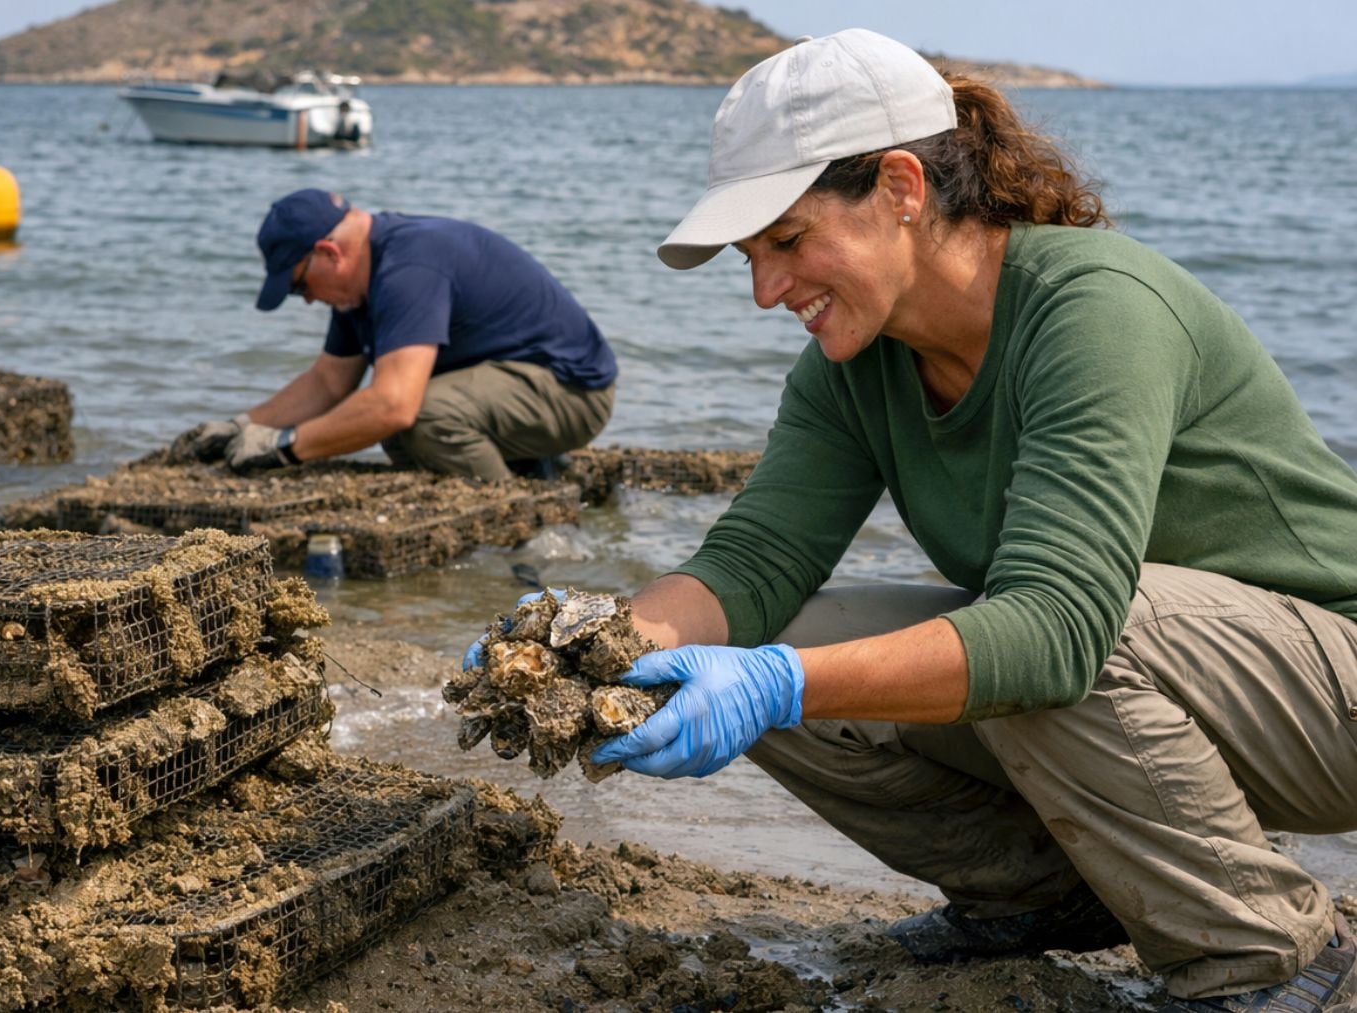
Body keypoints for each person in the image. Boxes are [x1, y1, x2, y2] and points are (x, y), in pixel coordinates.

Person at [479, 29, 1357, 1012]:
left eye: (787, 240)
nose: (768, 290)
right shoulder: (855, 365)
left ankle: (1273, 956)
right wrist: (596, 645)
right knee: (774, 629)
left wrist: (776, 686)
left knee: (1052, 633)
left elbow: (1061, 629)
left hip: (1329, 684)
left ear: (902, 187)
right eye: (749, 256)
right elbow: (756, 561)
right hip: (1159, 686)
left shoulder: (1094, 309)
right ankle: (1038, 897)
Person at [175, 189, 616, 480]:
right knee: (381, 422)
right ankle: (527, 470)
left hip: (571, 392)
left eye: (299, 285)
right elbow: (329, 382)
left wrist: (284, 447)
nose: (306, 299)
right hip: (508, 383)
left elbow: (393, 405)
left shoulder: (408, 268)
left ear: (329, 253)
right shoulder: (357, 288)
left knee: (416, 414)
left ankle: (521, 524)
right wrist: (245, 426)